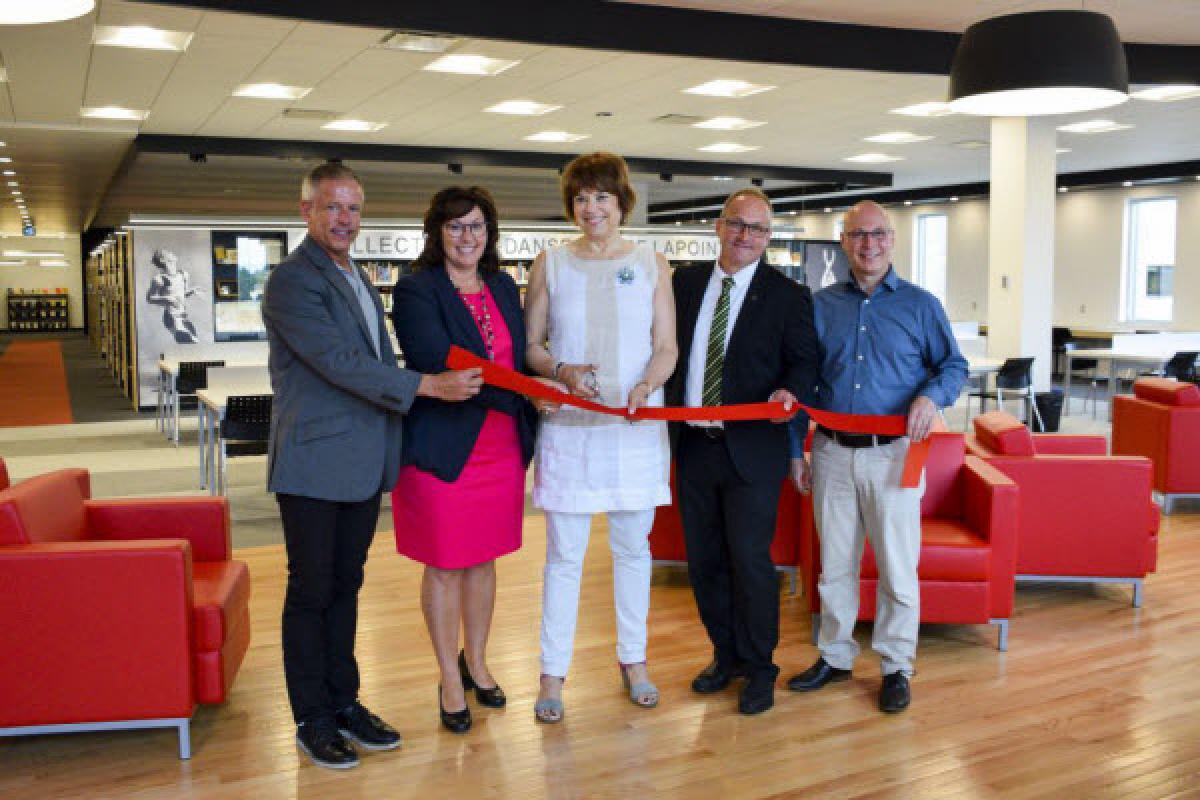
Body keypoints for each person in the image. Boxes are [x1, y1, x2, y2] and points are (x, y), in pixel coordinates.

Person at [261, 162, 482, 769]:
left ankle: (345, 702)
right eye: (332, 207)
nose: (344, 220)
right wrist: (428, 387)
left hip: (361, 461)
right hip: (312, 463)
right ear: (306, 210)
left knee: (346, 584)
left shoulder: (355, 273)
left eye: (354, 208)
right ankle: (312, 717)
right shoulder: (291, 280)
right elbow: (339, 363)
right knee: (311, 590)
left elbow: (368, 357)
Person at [787, 200, 967, 713]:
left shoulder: (920, 305)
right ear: (843, 242)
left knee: (896, 567)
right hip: (831, 454)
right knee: (835, 566)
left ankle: (895, 665)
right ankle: (836, 655)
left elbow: (953, 365)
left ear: (891, 239)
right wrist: (794, 451)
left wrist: (932, 396)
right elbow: (804, 382)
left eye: (878, 235)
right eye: (857, 235)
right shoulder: (821, 307)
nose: (868, 245)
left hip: (895, 457)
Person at [524, 151, 678, 723]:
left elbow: (666, 347)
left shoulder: (651, 261)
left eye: (602, 198)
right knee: (564, 556)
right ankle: (551, 673)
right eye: (582, 198)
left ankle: (634, 661)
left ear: (622, 203)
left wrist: (645, 385)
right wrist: (561, 372)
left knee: (633, 551)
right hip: (569, 431)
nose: (592, 208)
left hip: (634, 433)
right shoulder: (550, 263)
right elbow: (534, 345)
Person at [389, 187, 548, 734]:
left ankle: (476, 661)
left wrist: (545, 381)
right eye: (456, 227)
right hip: (443, 448)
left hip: (500, 446)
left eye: (477, 226)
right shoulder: (415, 290)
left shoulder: (504, 286)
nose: (467, 237)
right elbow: (441, 363)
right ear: (437, 232)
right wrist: (524, 389)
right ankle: (448, 678)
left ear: (490, 232)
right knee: (446, 562)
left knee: (484, 559)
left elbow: (522, 352)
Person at [665, 187, 818, 715]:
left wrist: (790, 392)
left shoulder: (788, 295)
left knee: (751, 562)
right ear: (717, 226)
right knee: (704, 560)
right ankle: (724, 655)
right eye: (736, 224)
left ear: (768, 237)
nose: (745, 236)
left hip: (751, 451)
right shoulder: (682, 284)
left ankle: (760, 667)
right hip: (694, 446)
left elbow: (805, 365)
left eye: (757, 228)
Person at [146, 248, 199, 343]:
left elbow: (182, 295)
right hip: (171, 316)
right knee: (189, 343)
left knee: (192, 345)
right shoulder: (159, 279)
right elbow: (150, 299)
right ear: (163, 260)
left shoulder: (184, 274)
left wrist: (192, 291)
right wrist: (166, 298)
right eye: (168, 252)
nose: (171, 252)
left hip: (183, 316)